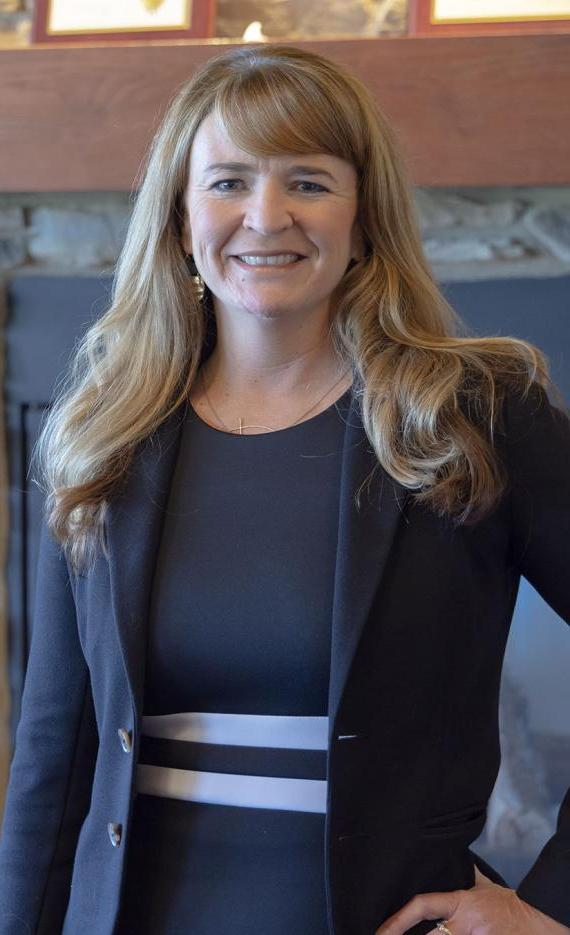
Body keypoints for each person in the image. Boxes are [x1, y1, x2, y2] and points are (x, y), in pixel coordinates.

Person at [0, 42, 569, 935]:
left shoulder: (475, 416)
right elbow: (52, 750)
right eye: (227, 181)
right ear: (182, 220)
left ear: (364, 216)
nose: (265, 216)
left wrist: (548, 907)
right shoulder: (103, 432)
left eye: (308, 181)